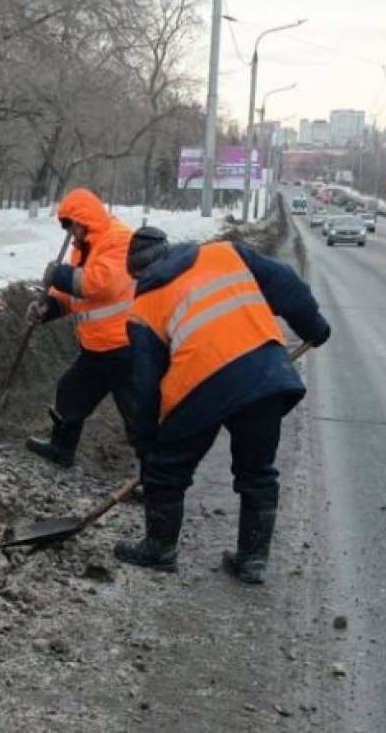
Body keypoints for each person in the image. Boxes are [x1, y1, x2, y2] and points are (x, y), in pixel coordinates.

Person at [115, 228, 331, 585]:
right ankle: (253, 560)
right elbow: (287, 284)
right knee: (257, 470)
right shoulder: (225, 253)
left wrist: (148, 446)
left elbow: (145, 387)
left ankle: (160, 548)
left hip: (199, 388)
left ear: (137, 273)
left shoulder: (143, 309)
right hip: (265, 372)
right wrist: (313, 325)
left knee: (168, 470)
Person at [25, 187, 135, 467]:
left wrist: (60, 275)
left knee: (137, 412)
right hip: (96, 346)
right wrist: (48, 307)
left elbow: (101, 284)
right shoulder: (81, 248)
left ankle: (155, 479)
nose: (71, 234)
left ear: (85, 221)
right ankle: (61, 449)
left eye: (72, 227)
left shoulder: (119, 240)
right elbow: (74, 296)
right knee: (70, 392)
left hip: (126, 346)